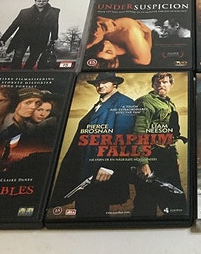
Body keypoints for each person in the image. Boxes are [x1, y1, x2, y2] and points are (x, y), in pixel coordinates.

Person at [49, 73, 137, 218]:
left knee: (94, 210)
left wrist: (108, 166)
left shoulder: (124, 102)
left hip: (101, 167)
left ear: (115, 83)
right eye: (97, 83)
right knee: (84, 209)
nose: (100, 85)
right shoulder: (99, 103)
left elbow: (123, 136)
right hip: (86, 166)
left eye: (105, 82)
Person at [132, 72, 187, 217]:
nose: (161, 85)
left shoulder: (170, 103)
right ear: (153, 85)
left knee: (176, 200)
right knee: (146, 201)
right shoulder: (145, 101)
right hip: (151, 155)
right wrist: (143, 162)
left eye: (165, 82)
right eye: (158, 82)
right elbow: (138, 132)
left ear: (171, 85)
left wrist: (175, 155)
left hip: (167, 155)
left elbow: (171, 133)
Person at [0, 0, 60, 70]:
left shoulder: (54, 12)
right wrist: (3, 39)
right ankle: (15, 73)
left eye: (44, 1)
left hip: (40, 39)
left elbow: (55, 25)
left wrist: (53, 39)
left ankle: (27, 72)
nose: (41, 3)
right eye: (39, 1)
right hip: (23, 38)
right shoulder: (24, 12)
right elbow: (14, 25)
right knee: (18, 56)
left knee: (34, 57)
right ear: (35, 1)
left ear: (47, 2)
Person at [84, 16, 152, 68]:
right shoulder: (139, 56)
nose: (105, 45)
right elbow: (146, 60)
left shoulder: (95, 39)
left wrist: (99, 19)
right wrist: (149, 33)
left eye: (99, 49)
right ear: (116, 57)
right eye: (109, 51)